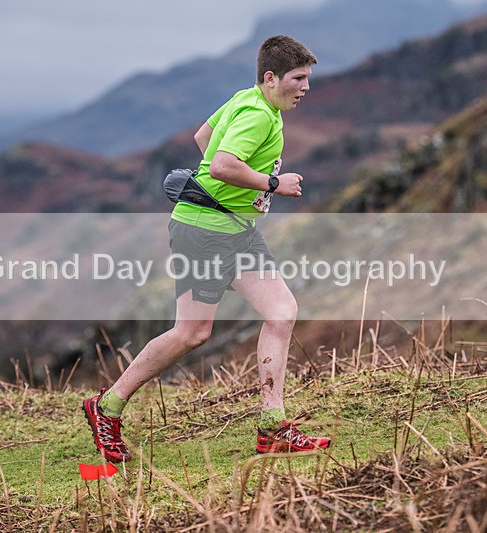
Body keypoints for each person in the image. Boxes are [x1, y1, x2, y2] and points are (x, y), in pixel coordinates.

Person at [83, 35, 331, 463]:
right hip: (205, 231)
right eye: (298, 78)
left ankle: (272, 427)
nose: (306, 87)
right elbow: (219, 164)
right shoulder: (258, 114)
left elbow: (204, 136)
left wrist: (235, 193)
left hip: (235, 228)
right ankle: (106, 407)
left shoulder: (250, 100)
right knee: (191, 333)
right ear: (271, 78)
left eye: (308, 78)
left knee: (281, 311)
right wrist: (272, 183)